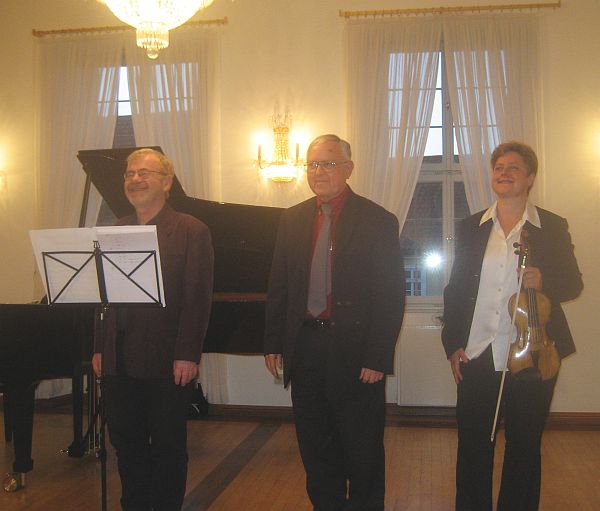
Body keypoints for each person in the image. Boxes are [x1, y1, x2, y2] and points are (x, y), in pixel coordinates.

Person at [264, 134, 405, 510]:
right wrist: (273, 342)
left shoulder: (378, 220)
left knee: (362, 451)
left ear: (348, 168)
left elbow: (391, 295)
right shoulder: (291, 219)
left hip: (356, 352)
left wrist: (378, 356)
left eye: (328, 163)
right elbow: (280, 286)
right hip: (305, 347)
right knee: (315, 448)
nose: (319, 171)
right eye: (312, 164)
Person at [442, 141, 583, 511]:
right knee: (473, 444)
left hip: (533, 353)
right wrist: (453, 344)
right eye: (498, 167)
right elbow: (456, 289)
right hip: (477, 352)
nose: (504, 173)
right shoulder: (473, 226)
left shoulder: (550, 226)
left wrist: (544, 279)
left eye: (513, 167)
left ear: (530, 177)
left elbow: (573, 284)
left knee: (524, 445)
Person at [92, 148, 214, 511]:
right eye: (130, 174)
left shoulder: (192, 230)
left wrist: (188, 354)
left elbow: (197, 299)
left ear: (167, 182)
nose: (135, 179)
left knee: (167, 446)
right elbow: (103, 299)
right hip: (118, 357)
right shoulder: (114, 229)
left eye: (145, 172)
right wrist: (100, 347)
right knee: (125, 443)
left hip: (167, 359)